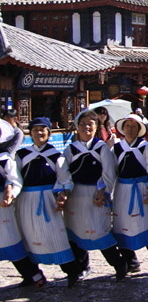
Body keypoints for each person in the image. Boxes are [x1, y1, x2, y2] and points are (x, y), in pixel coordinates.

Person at [15, 117, 83, 287]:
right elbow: (15, 179)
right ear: (30, 133)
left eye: (43, 130)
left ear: (49, 133)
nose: (39, 133)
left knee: (55, 236)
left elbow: (65, 179)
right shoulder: (21, 155)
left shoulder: (55, 155)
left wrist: (63, 194)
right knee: (29, 236)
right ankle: (32, 275)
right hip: (26, 200)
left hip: (48, 201)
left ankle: (72, 271)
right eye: (35, 130)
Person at [63, 110, 127, 282]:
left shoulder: (101, 148)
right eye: (82, 124)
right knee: (76, 232)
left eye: (90, 124)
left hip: (96, 195)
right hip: (76, 196)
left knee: (100, 231)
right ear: (77, 127)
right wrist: (65, 190)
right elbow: (64, 172)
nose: (86, 127)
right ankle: (80, 268)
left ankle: (119, 264)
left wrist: (103, 191)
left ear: (96, 126)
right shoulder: (70, 149)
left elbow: (108, 172)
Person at [111, 114, 148, 277]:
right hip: (122, 191)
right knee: (121, 227)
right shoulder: (116, 148)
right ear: (123, 129)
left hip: (142, 191)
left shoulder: (146, 147)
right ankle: (131, 262)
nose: (130, 129)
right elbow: (110, 173)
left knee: (147, 227)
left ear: (139, 130)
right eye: (127, 126)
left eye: (134, 126)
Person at [0, 118, 46, 288]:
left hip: (2, 206)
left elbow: (14, 179)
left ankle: (34, 275)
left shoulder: (4, 159)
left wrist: (9, 190)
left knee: (8, 240)